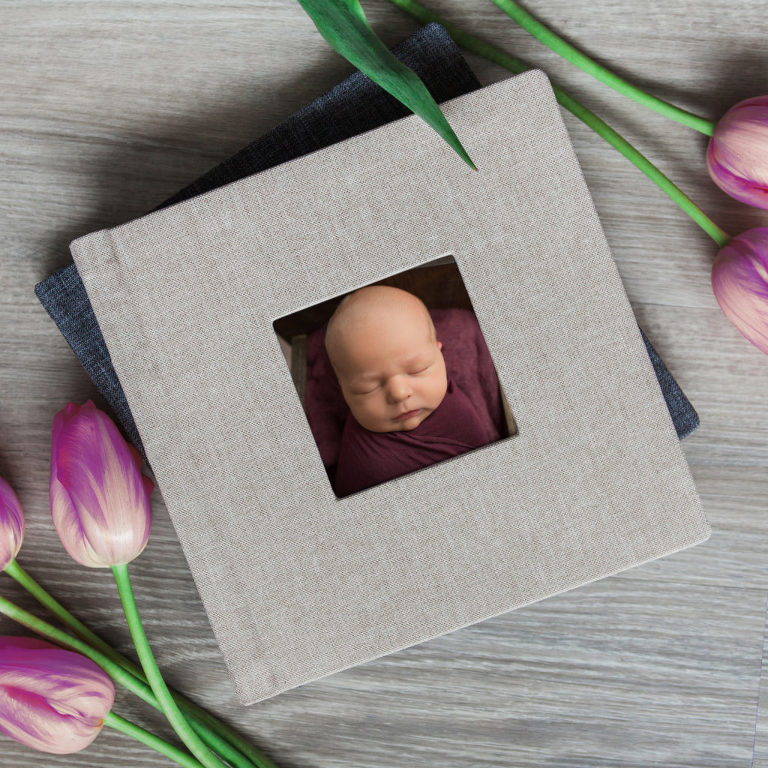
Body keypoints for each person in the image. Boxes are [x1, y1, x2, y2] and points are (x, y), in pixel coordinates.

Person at [325, 285, 500, 497]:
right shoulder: (368, 470)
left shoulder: (442, 381)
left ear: (439, 352)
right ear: (342, 389)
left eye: (418, 369)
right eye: (367, 388)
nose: (399, 393)